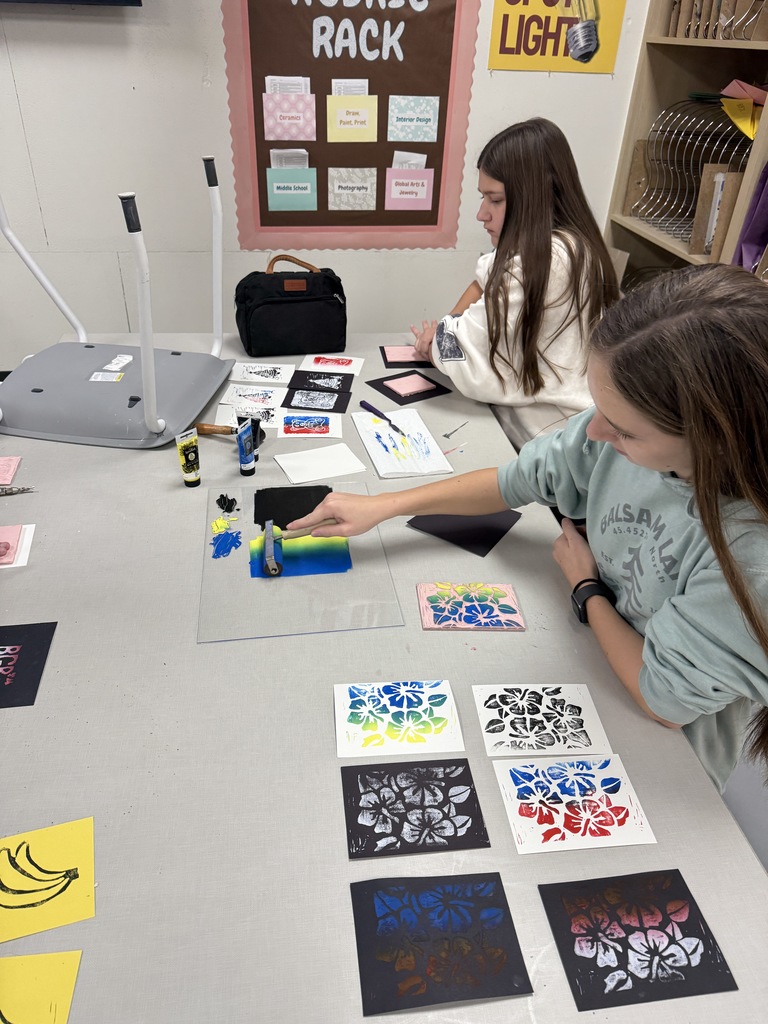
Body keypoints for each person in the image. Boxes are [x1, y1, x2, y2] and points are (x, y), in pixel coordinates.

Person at [289, 264, 768, 792]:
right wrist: (386, 506)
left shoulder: (750, 556)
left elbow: (662, 699)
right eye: (598, 405)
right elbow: (513, 480)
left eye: (625, 430)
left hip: (662, 761)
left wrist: (586, 589)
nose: (594, 430)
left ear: (713, 436)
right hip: (589, 663)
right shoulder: (612, 436)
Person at [410, 117, 620, 449]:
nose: (482, 214)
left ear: (533, 197)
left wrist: (436, 340)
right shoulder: (572, 245)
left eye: (495, 199)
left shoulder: (545, 261)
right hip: (558, 427)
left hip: (547, 440)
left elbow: (467, 361)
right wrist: (448, 328)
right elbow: (482, 280)